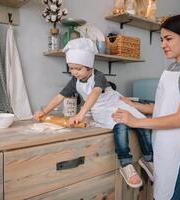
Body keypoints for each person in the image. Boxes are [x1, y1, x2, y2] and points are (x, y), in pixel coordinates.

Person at [112, 14, 180, 200]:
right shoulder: (174, 67)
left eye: (168, 39)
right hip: (164, 144)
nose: (162, 44)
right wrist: (134, 105)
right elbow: (164, 108)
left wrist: (136, 121)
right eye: (161, 39)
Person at [33, 38, 152, 188]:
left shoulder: (99, 76)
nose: (74, 72)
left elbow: (95, 94)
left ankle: (148, 158)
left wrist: (81, 114)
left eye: (78, 68)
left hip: (115, 102)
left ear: (90, 67)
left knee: (142, 123)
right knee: (120, 126)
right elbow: (59, 97)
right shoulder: (74, 81)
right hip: (101, 110)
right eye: (71, 68)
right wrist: (43, 112)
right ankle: (126, 164)